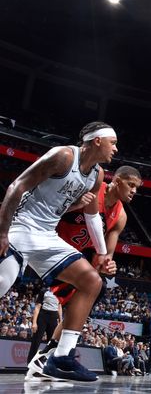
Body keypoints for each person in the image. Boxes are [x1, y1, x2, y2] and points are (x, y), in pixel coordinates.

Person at [0, 121, 117, 381]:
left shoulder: (96, 176)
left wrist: (102, 255)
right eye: (113, 142)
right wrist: (2, 232)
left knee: (91, 281)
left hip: (46, 234)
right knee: (1, 283)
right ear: (97, 140)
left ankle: (60, 358)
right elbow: (16, 186)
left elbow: (92, 217)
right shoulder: (63, 156)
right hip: (21, 226)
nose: (116, 149)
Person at [27, 165, 142, 378]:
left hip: (73, 261)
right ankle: (48, 356)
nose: (134, 191)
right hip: (48, 248)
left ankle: (47, 356)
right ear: (116, 181)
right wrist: (77, 205)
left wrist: (109, 265)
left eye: (137, 187)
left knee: (87, 300)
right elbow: (49, 210)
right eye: (131, 185)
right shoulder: (90, 189)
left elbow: (104, 257)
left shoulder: (120, 216)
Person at [25, 287, 62, 373]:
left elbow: (59, 306)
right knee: (36, 342)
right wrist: (34, 322)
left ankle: (49, 366)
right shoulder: (44, 291)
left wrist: (60, 321)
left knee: (52, 344)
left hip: (53, 318)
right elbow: (37, 307)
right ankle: (30, 367)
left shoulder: (60, 291)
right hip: (43, 317)